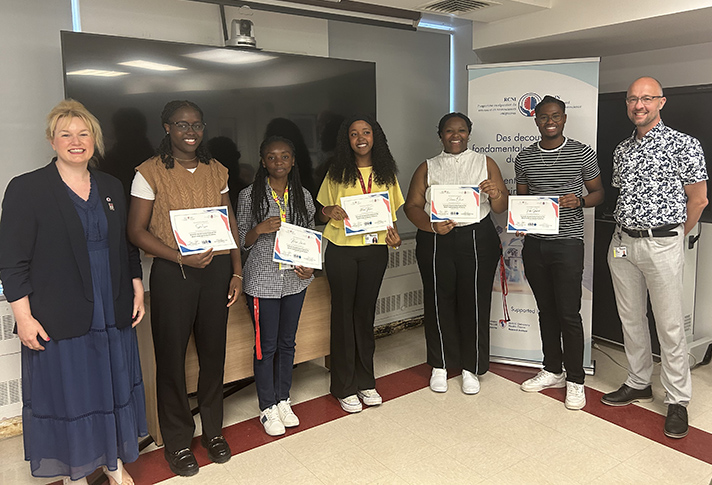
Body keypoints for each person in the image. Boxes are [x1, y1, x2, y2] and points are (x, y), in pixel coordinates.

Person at [0, 99, 147, 485]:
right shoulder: (27, 188)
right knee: (71, 392)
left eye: (84, 134)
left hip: (110, 304)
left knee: (110, 384)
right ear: (52, 141)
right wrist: (23, 317)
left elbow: (125, 245)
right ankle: (75, 471)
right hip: (58, 311)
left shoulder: (111, 186)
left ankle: (114, 462)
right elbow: (12, 260)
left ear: (94, 141)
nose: (75, 141)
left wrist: (137, 285)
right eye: (66, 134)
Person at [127, 100, 243, 476]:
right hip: (172, 275)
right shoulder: (148, 173)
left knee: (213, 356)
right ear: (166, 128)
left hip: (216, 273)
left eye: (196, 125)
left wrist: (236, 272)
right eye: (181, 125)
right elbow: (136, 231)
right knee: (172, 360)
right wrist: (180, 257)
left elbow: (230, 224)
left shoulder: (217, 170)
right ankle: (178, 442)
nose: (190, 132)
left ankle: (213, 432)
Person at [602, 77, 708, 438]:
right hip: (622, 245)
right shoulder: (622, 150)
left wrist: (676, 236)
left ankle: (677, 399)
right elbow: (625, 197)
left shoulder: (685, 145)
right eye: (632, 99)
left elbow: (698, 200)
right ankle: (638, 380)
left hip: (662, 244)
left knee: (670, 325)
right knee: (630, 318)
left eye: (647, 99)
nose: (639, 105)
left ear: (661, 102)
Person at [404, 112, 508, 395]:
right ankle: (439, 365)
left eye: (461, 130)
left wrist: (496, 193)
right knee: (438, 300)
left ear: (469, 133)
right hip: (437, 239)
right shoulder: (427, 167)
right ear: (440, 135)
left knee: (475, 301)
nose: (455, 136)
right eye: (449, 131)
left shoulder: (485, 163)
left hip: (477, 238)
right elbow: (411, 206)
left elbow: (500, 208)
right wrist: (431, 226)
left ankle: (470, 367)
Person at [514, 96, 604, 410]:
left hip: (568, 244)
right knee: (546, 310)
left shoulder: (582, 153)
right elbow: (522, 199)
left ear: (564, 118)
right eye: (543, 116)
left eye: (555, 116)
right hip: (535, 245)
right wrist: (521, 220)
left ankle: (576, 380)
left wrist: (579, 201)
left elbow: (598, 193)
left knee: (568, 313)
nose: (549, 121)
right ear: (535, 120)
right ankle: (552, 369)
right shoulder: (524, 157)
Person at [317, 115, 403, 413]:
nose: (360, 137)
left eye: (366, 132)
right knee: (342, 315)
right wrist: (329, 210)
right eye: (354, 133)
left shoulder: (386, 173)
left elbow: (391, 218)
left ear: (375, 136)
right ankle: (344, 386)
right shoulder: (336, 171)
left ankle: (366, 381)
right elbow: (321, 212)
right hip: (341, 250)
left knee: (365, 315)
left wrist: (394, 238)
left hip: (375, 250)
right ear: (347, 140)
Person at [237, 136, 316, 436]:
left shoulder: (303, 195)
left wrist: (309, 264)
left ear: (293, 160)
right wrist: (259, 229)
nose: (279, 162)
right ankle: (267, 406)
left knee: (287, 343)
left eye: (285, 156)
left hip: (295, 280)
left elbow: (308, 236)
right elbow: (241, 241)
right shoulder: (249, 196)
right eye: (272, 157)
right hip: (263, 282)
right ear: (263, 161)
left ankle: (284, 398)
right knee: (265, 346)